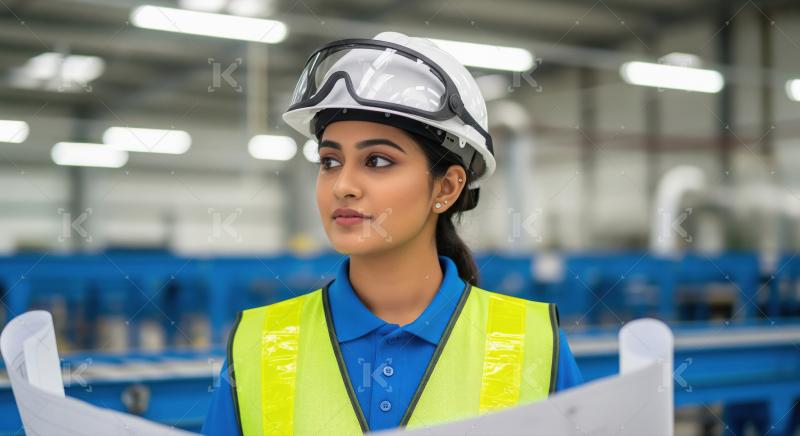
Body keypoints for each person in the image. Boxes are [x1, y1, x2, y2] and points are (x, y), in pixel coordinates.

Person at [202, 31, 582, 435]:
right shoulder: (259, 344)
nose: (343, 185)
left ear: (447, 187)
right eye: (330, 161)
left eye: (378, 160)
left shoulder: (535, 344)